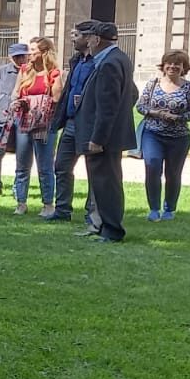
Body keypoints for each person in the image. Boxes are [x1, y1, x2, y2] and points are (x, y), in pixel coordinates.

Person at [75, 21, 137, 243]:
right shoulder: (117, 58)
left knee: (105, 183)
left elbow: (107, 106)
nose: (87, 42)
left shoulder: (109, 63)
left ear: (96, 40)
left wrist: (97, 138)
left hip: (104, 138)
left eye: (89, 38)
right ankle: (105, 227)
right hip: (110, 136)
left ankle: (112, 229)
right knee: (104, 182)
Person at [135, 49, 190, 222]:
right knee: (152, 166)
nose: (172, 66)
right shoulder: (153, 84)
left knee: (173, 173)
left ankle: (169, 209)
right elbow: (140, 106)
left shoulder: (189, 88)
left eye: (177, 64)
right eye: (169, 63)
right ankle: (154, 209)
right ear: (163, 66)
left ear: (183, 67)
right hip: (153, 133)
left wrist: (178, 118)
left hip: (179, 136)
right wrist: (157, 113)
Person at [48, 21, 99, 227]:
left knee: (93, 170)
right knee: (61, 166)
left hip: (90, 125)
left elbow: (128, 94)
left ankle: (92, 213)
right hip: (70, 122)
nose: (72, 38)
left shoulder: (100, 62)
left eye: (76, 35)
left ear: (88, 38)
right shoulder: (76, 60)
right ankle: (62, 209)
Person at [9, 38, 63, 217]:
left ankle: (48, 204)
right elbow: (16, 93)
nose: (29, 54)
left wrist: (38, 103)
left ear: (44, 52)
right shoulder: (24, 70)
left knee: (45, 166)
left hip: (45, 125)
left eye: (34, 50)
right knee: (22, 165)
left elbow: (56, 99)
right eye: (29, 50)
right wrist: (17, 103)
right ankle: (21, 202)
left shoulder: (54, 73)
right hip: (24, 122)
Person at [0, 43, 28, 196]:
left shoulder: (30, 72)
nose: (21, 59)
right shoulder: (3, 71)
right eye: (17, 56)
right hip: (1, 119)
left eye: (23, 56)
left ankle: (18, 188)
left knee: (21, 156)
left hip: (22, 119)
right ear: (11, 57)